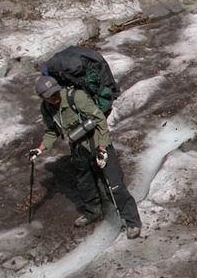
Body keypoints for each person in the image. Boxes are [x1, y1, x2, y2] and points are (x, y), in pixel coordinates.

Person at [29, 75, 142, 239]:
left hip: (97, 143)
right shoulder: (46, 109)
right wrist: (40, 149)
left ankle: (132, 221)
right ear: (42, 97)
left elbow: (99, 120)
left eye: (55, 93)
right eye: (49, 96)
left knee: (113, 185)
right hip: (78, 148)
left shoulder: (76, 97)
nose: (54, 97)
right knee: (85, 184)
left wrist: (102, 148)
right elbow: (52, 131)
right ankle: (93, 212)